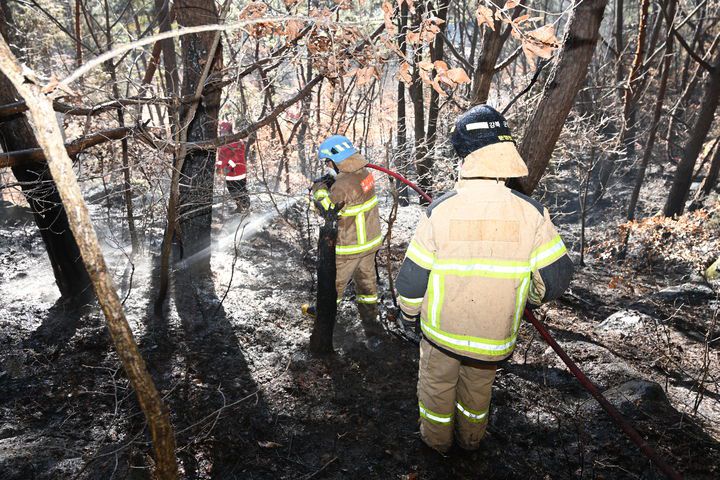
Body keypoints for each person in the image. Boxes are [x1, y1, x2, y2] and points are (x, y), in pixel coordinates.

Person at [395, 105, 573, 453]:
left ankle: (436, 449)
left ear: (466, 157)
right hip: (493, 339)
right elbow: (556, 279)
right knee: (476, 395)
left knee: (436, 391)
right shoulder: (532, 213)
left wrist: (408, 316)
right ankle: (471, 443)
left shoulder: (441, 210)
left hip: (441, 336)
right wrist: (524, 297)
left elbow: (412, 282)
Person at [308, 135, 384, 339]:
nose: (327, 166)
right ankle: (372, 326)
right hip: (369, 243)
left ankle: (324, 324)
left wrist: (319, 190)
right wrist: (334, 181)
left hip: (349, 247)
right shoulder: (364, 174)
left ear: (338, 160)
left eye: (328, 162)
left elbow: (327, 209)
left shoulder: (342, 186)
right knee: (367, 286)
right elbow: (353, 196)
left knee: (334, 287)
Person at [216, 121, 250, 212]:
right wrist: (219, 167)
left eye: (225, 131)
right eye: (221, 131)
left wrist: (228, 165)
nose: (223, 133)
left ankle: (246, 208)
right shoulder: (221, 144)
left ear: (229, 131)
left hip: (238, 171)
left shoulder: (238, 142)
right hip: (228, 173)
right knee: (232, 191)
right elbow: (220, 157)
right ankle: (239, 206)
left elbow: (237, 158)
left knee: (240, 190)